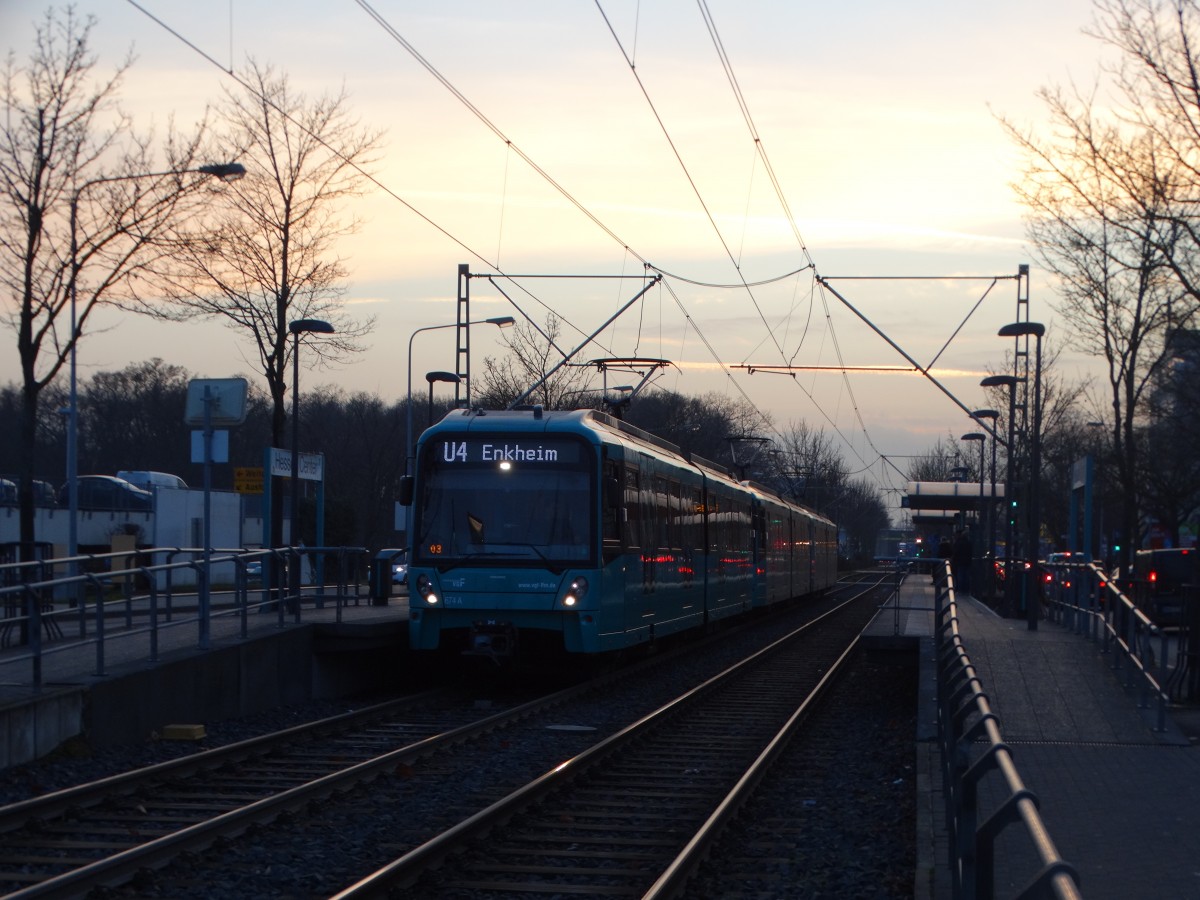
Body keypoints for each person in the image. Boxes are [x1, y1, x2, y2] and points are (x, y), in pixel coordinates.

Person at [952, 528, 972, 596]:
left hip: (960, 562)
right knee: (966, 576)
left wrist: (953, 559)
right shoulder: (968, 542)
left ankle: (960, 590)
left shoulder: (958, 542)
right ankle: (966, 590)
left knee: (960, 576)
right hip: (967, 562)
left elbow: (956, 552)